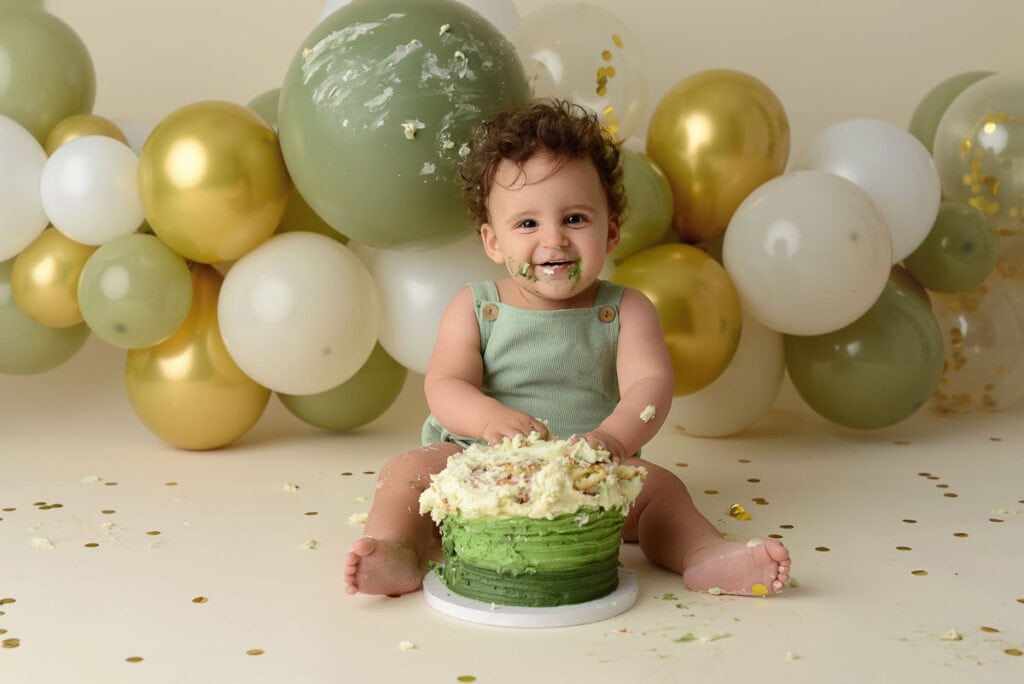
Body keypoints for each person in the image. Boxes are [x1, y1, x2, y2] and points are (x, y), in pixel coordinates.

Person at [344, 99, 791, 598]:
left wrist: (613, 442)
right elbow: (445, 385)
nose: (553, 240)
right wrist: (488, 421)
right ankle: (395, 548)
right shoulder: (476, 306)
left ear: (611, 230)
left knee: (660, 489)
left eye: (575, 218)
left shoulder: (627, 310)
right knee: (407, 471)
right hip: (476, 461)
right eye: (527, 224)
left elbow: (650, 385)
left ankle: (703, 554)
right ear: (493, 242)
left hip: (589, 469)